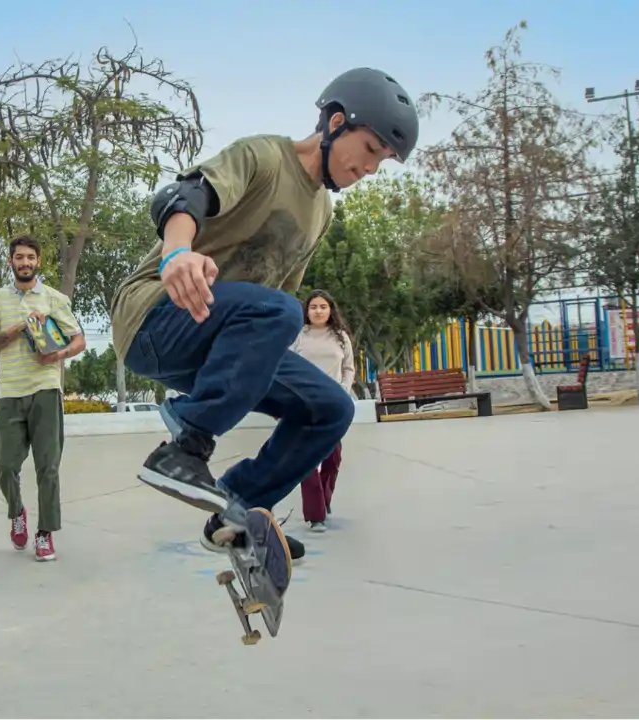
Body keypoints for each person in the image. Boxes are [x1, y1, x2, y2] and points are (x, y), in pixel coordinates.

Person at [109, 67, 419, 557]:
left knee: (330, 408)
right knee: (281, 311)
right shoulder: (265, 156)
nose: (371, 169)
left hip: (220, 339)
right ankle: (185, 447)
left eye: (382, 161)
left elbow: (275, 300)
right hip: (153, 317)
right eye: (370, 150)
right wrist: (177, 253)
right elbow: (186, 195)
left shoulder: (322, 212)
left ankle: (237, 510)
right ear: (337, 122)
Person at [0, 235, 86, 561]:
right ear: (11, 261)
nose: (25, 262)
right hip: (10, 392)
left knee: (48, 467)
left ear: (38, 261)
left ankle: (44, 534)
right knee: (4, 465)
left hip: (46, 389)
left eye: (30, 257)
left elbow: (78, 340)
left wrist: (57, 355)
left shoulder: (53, 298)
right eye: (19, 257)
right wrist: (21, 326)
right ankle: (17, 512)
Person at [291, 290, 355, 533]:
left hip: (333, 403)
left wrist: (344, 390)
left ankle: (324, 499)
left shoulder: (341, 337)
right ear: (307, 311)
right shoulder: (298, 335)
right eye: (313, 307)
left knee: (333, 458)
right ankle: (315, 515)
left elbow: (349, 368)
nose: (318, 311)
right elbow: (287, 366)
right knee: (306, 459)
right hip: (303, 403)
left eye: (323, 307)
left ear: (330, 310)